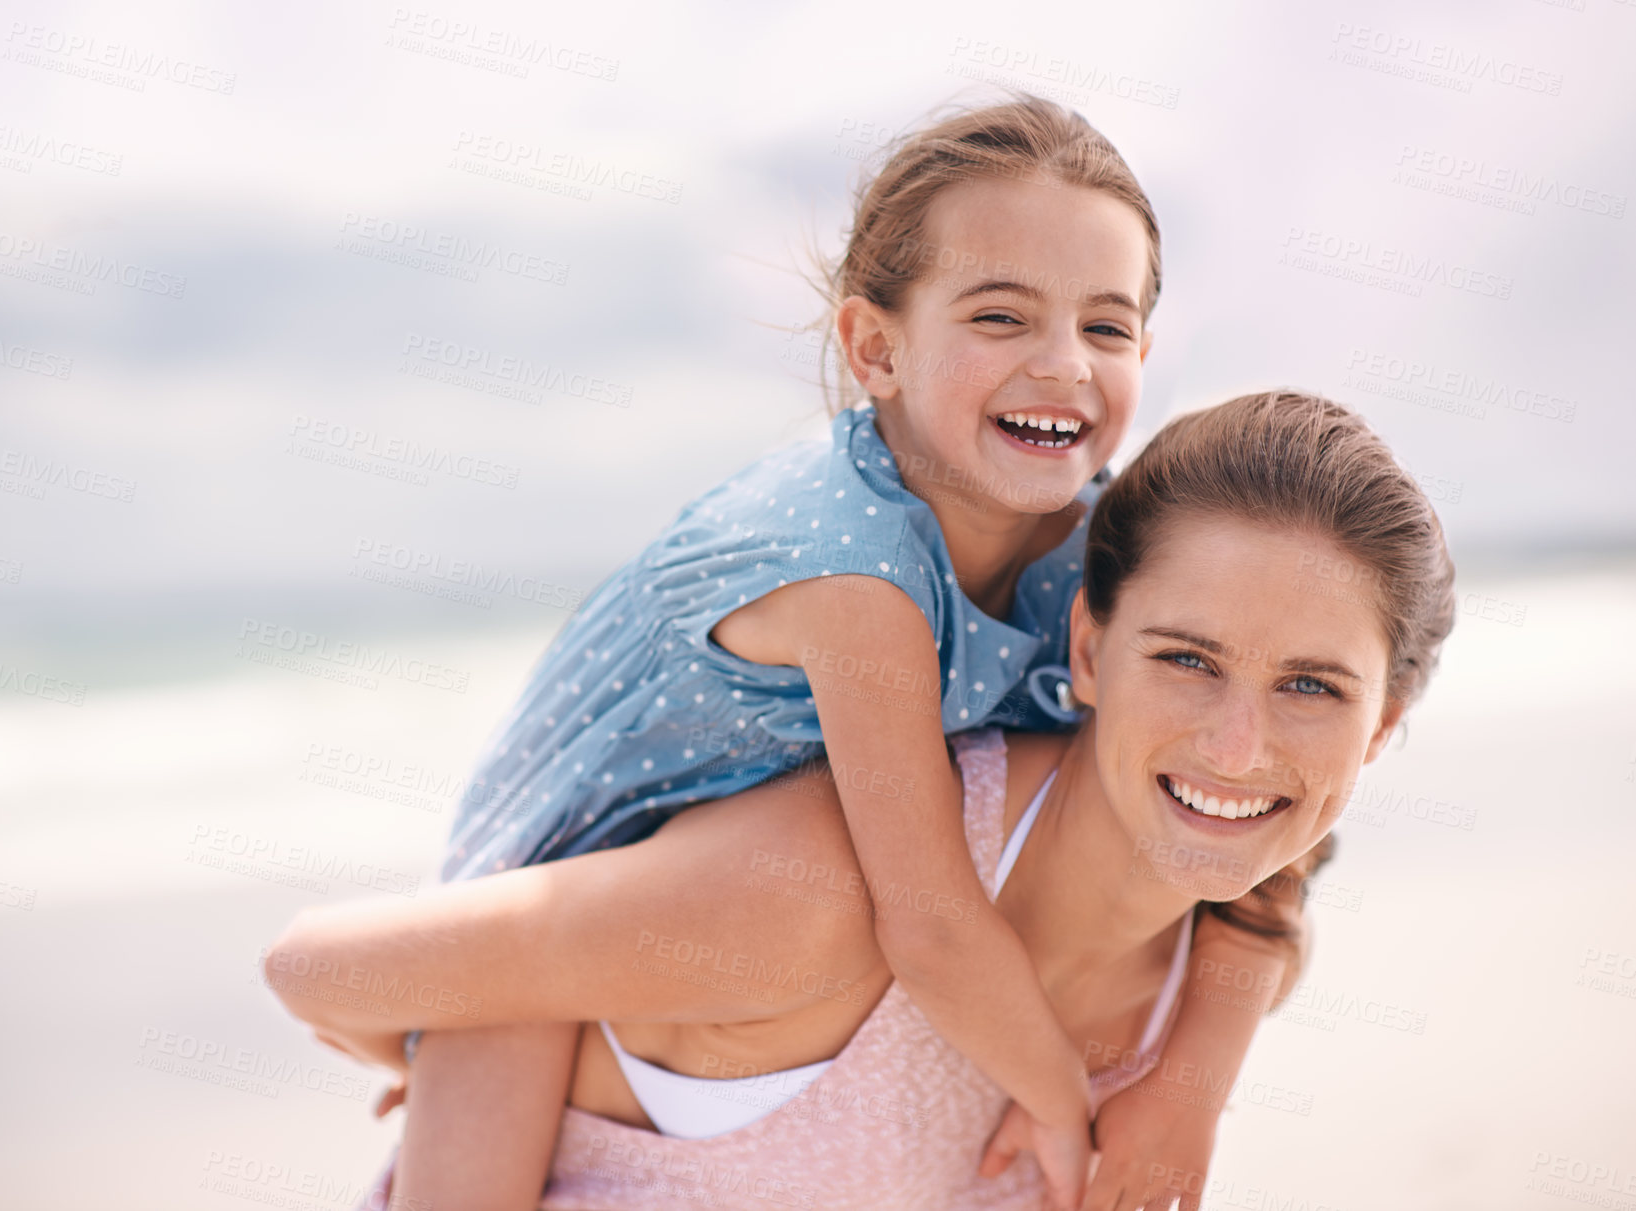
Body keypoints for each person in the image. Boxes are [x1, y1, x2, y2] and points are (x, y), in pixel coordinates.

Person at [269, 390, 1456, 1211]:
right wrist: (441, 1030)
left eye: (1311, 685)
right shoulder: (819, 894)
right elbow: (324, 967)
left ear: (1379, 732)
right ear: (1086, 651)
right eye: (1185, 658)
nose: (1237, 745)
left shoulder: (1221, 955)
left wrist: (1196, 1077)